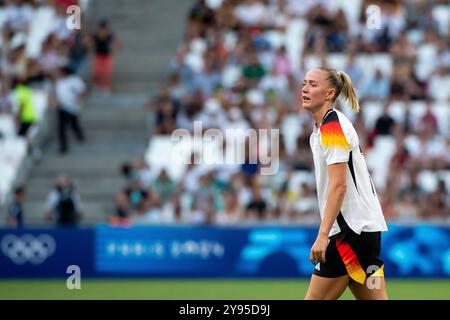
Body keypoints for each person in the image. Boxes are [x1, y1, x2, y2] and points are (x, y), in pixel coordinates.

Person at [301, 67, 388, 300]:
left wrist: (322, 235)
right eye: (304, 83)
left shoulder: (332, 127)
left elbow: (339, 186)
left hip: (348, 235)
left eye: (313, 84)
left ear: (330, 94)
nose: (305, 88)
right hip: (366, 232)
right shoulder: (322, 130)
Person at [54, 66, 87, 154]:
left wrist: (78, 98)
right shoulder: (59, 81)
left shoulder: (74, 80)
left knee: (74, 124)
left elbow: (82, 90)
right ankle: (63, 146)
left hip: (73, 107)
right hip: (62, 107)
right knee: (61, 128)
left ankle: (80, 136)